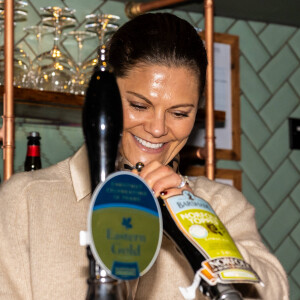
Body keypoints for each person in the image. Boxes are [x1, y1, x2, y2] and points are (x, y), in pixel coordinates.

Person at [0, 13, 288, 300]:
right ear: (105, 98)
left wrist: (192, 217)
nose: (158, 128)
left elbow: (273, 292)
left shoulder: (223, 206)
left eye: (179, 113)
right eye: (139, 105)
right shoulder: (24, 201)